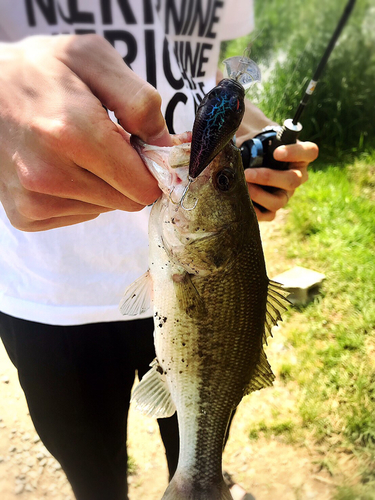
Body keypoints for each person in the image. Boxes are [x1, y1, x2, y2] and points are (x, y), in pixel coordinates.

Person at [0, 1, 318, 499]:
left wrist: (255, 134)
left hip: (193, 285)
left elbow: (199, 62)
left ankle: (199, 481)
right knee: (95, 483)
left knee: (195, 445)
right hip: (49, 292)